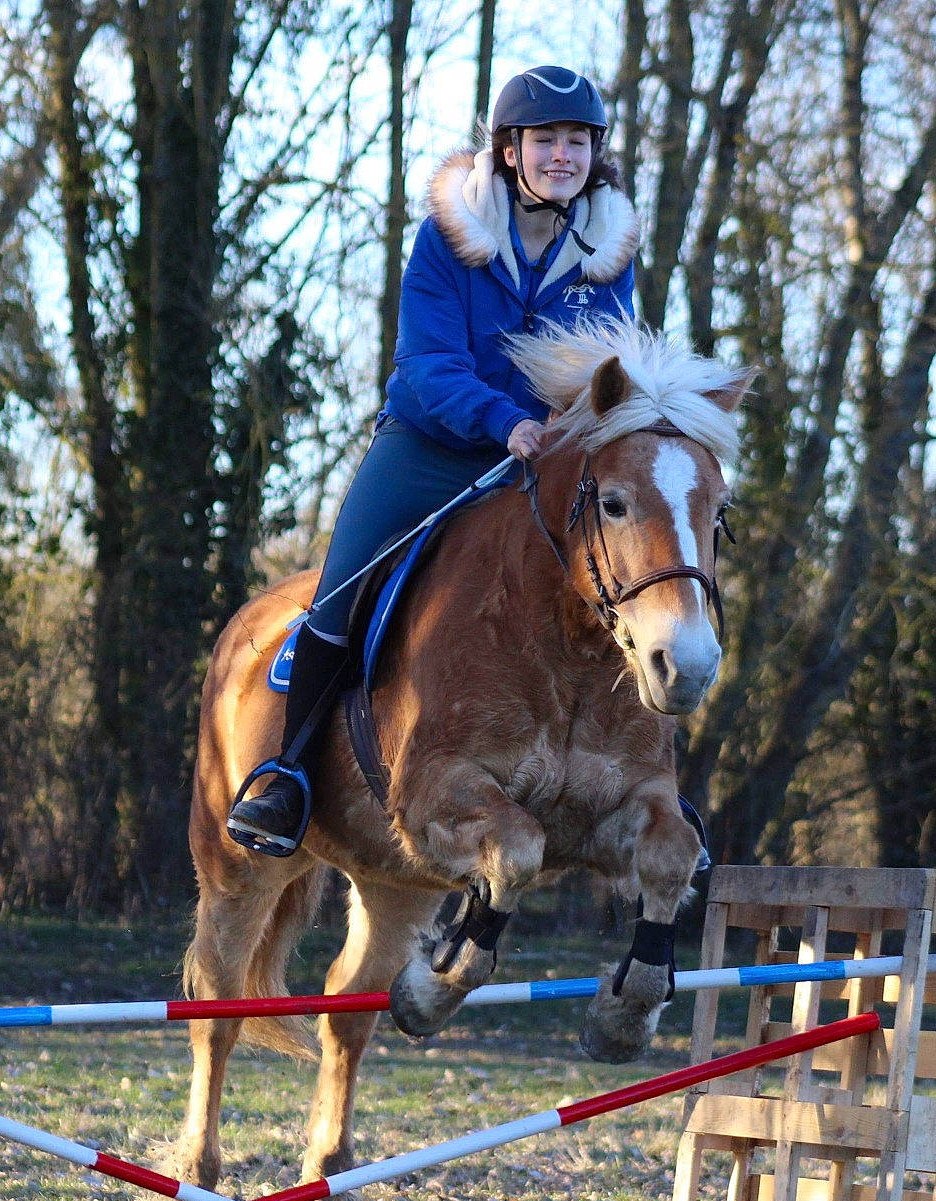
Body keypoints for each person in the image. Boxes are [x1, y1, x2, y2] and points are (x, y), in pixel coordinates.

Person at [227, 65, 641, 857]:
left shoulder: (608, 259)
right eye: (545, 140)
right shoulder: (448, 237)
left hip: (540, 464)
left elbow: (612, 374)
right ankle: (286, 776)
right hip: (428, 448)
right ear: (511, 151)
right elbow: (425, 365)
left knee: (625, 582)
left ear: (596, 154)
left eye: (578, 142)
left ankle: (628, 778)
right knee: (343, 587)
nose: (563, 155)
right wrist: (506, 419)